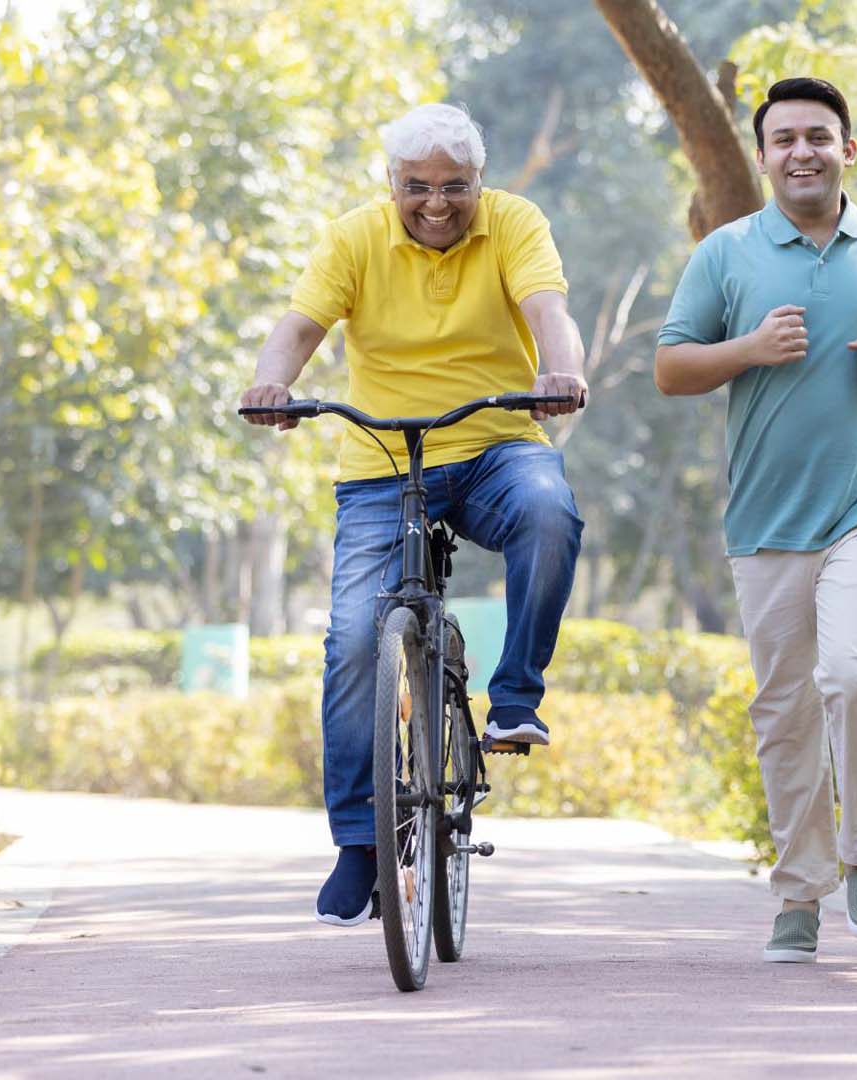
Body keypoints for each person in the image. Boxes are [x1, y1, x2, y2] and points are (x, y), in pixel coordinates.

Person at [240, 103, 589, 926]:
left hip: (499, 442)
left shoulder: (513, 223)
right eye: (417, 187)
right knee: (356, 638)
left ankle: (514, 698)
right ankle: (360, 842)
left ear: (480, 182)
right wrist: (271, 386)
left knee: (549, 510)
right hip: (384, 462)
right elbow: (299, 328)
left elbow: (548, 314)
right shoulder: (355, 237)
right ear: (390, 184)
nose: (436, 203)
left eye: (455, 187)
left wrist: (561, 371)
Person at [654, 78, 857, 962]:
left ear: (847, 149)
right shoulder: (727, 253)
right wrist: (749, 350)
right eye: (783, 138)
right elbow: (672, 367)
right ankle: (799, 894)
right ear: (762, 158)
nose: (801, 151)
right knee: (783, 707)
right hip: (767, 520)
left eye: (818, 136)